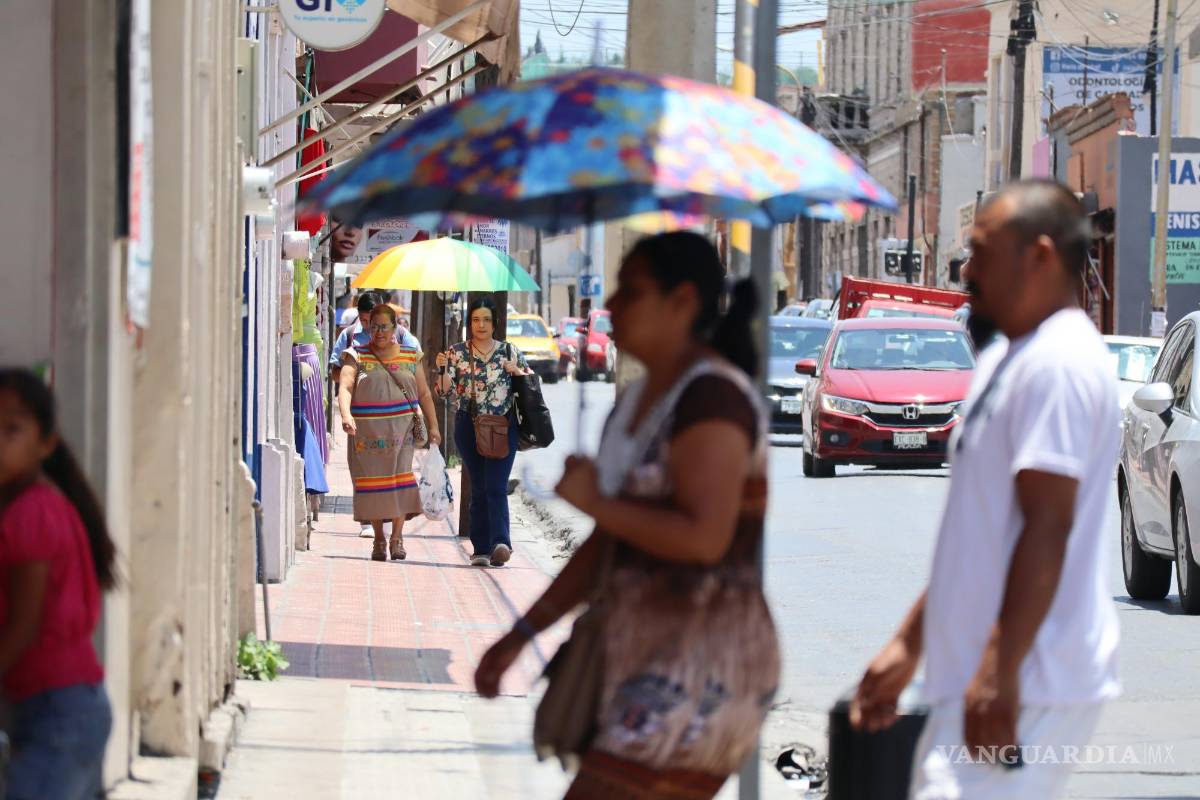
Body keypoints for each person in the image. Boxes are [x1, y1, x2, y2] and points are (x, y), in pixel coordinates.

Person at [474, 232, 780, 799]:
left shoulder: (713, 399)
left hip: (704, 660)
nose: (610, 303)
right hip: (639, 651)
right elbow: (607, 545)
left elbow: (704, 538)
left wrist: (597, 502)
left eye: (631, 290)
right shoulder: (640, 402)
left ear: (682, 302)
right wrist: (521, 635)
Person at [851, 181, 1121, 799]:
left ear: (1040, 257)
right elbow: (977, 536)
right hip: (976, 675)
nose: (966, 271)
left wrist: (1001, 670)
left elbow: (1045, 528)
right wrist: (908, 644)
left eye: (981, 252)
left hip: (1033, 680)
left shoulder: (1060, 364)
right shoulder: (1008, 358)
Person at [0, 369, 118, 800]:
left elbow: (25, 624)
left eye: (11, 429)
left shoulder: (31, 513)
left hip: (58, 712)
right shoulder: (34, 505)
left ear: (45, 444)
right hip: (61, 707)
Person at [338, 304, 442, 561]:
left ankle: (397, 538)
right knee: (373, 487)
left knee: (399, 483)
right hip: (367, 436)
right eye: (373, 327)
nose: (378, 332)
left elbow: (425, 393)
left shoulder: (410, 355)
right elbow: (345, 386)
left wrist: (434, 426)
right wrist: (346, 414)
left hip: (402, 434)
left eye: (384, 326)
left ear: (396, 327)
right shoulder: (356, 354)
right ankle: (378, 539)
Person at [434, 298, 530, 567]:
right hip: (469, 425)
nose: (481, 325)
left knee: (496, 485)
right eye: (476, 320)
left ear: (495, 323)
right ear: (469, 324)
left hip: (503, 426)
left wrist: (518, 372)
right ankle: (481, 548)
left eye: (486, 319)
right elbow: (443, 391)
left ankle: (501, 542)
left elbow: (532, 384)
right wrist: (442, 368)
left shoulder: (509, 352)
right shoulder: (456, 353)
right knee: (478, 486)